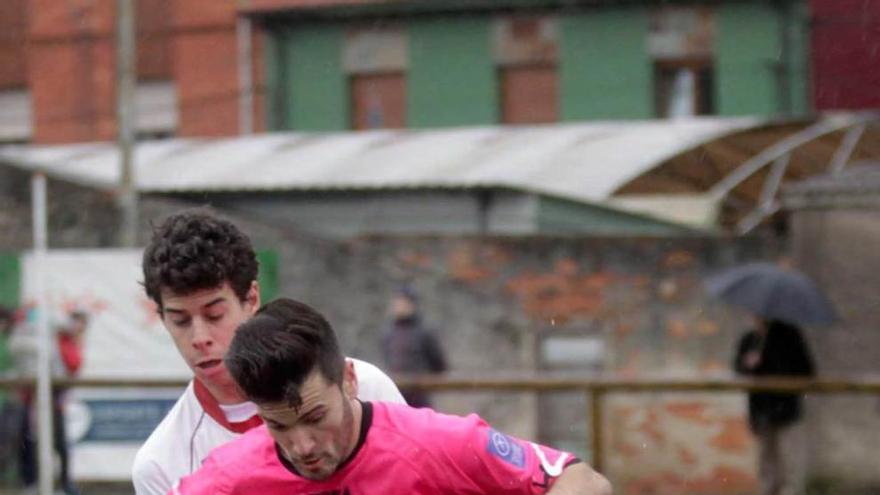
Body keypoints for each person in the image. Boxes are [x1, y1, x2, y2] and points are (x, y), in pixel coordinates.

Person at [173, 298, 612, 495]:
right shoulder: (230, 479)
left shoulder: (437, 444)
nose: (302, 445)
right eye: (279, 425)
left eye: (315, 416)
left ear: (348, 380)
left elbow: (580, 480)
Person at [132, 210, 406, 495]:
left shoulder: (363, 386)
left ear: (251, 298)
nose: (199, 338)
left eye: (215, 315)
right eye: (180, 320)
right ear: (162, 318)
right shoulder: (162, 464)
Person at [733, 317, 815, 495]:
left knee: (789, 457)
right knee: (766, 459)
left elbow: (806, 369)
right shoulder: (751, 340)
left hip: (786, 408)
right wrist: (748, 364)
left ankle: (791, 491)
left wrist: (776, 363)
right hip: (761, 408)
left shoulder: (790, 338)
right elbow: (739, 368)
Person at [13, 308, 88, 495]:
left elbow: (73, 365)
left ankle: (62, 484)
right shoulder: (50, 337)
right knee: (29, 441)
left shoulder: (66, 342)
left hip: (53, 398)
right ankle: (31, 483)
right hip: (31, 398)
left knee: (58, 442)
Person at [381, 286, 447, 407]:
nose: (399, 306)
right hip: (396, 393)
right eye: (397, 303)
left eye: (403, 303)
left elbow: (439, 364)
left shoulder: (424, 331)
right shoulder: (389, 333)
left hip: (419, 395)